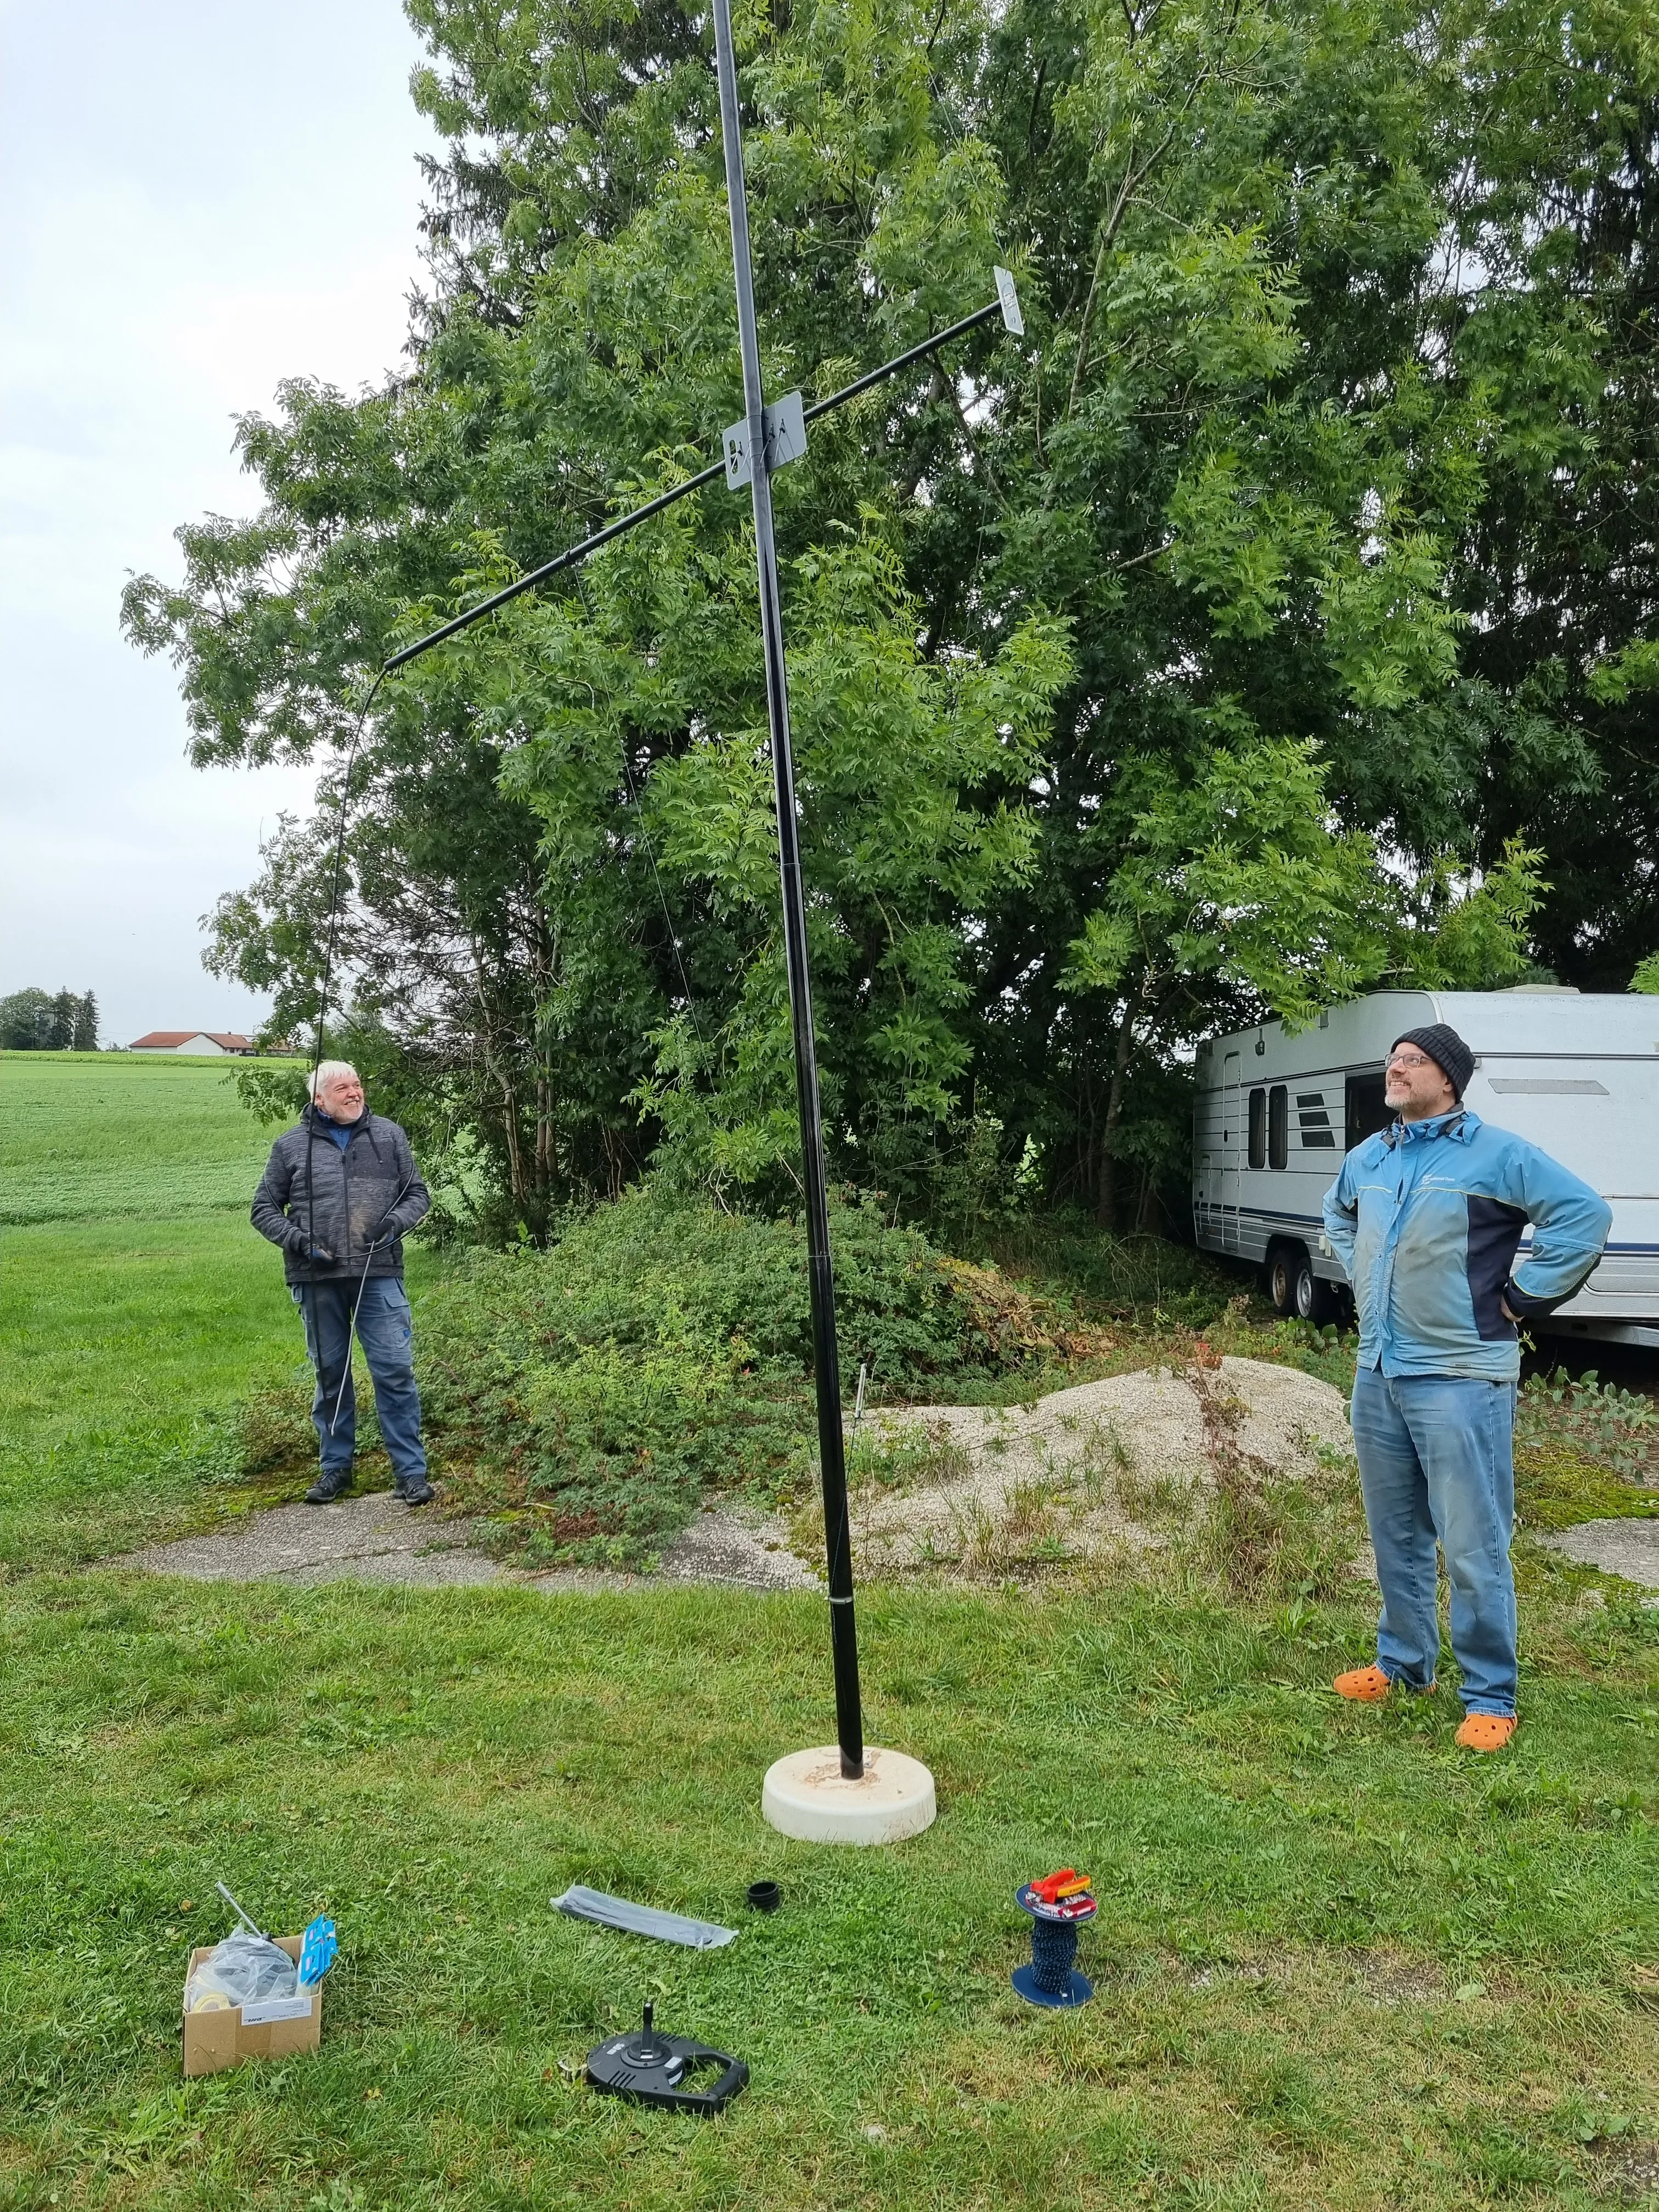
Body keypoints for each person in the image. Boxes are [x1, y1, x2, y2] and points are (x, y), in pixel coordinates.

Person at [1322, 1022, 1610, 1751]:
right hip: (1380, 1371)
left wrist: (1517, 1299)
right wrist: (1361, 1275)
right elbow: (1337, 1209)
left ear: (1448, 1078)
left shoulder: (1498, 1155)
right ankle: (1404, 1664)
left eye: (1412, 1061)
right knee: (1396, 1534)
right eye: (1392, 1060)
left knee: (1474, 1541)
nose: (1396, 1070)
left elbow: (1585, 1217)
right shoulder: (1371, 1158)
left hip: (1460, 1376)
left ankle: (1490, 1693)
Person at [251, 1060, 436, 1506]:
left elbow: (417, 1194)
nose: (354, 1093)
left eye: (357, 1085)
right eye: (342, 1088)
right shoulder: (290, 1146)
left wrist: (394, 1224)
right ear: (319, 1100)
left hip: (379, 1273)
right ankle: (336, 1470)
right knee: (331, 1374)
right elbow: (263, 1209)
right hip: (316, 1277)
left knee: (394, 1371)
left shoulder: (389, 1135)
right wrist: (299, 1242)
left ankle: (410, 1473)